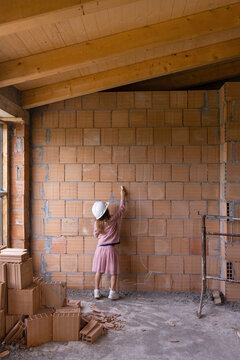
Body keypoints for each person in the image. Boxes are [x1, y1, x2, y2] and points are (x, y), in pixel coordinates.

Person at [91, 186, 127, 300]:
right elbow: (121, 209)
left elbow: (95, 235)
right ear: (106, 210)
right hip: (110, 249)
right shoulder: (112, 219)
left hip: (100, 249)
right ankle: (112, 293)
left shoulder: (97, 223)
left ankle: (96, 291)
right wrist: (122, 195)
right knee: (113, 272)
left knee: (99, 271)